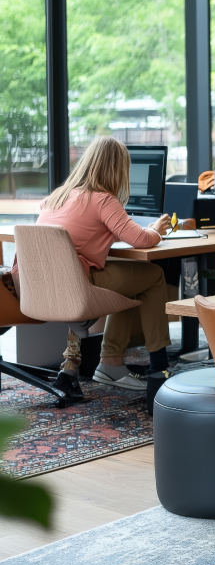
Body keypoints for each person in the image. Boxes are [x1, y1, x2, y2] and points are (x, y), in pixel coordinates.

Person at [13, 136, 172, 394]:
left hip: (39, 288)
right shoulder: (103, 200)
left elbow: (84, 232)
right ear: (118, 170)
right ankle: (158, 369)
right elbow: (142, 240)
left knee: (133, 278)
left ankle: (111, 363)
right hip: (76, 286)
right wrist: (156, 230)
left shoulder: (55, 197)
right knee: (153, 275)